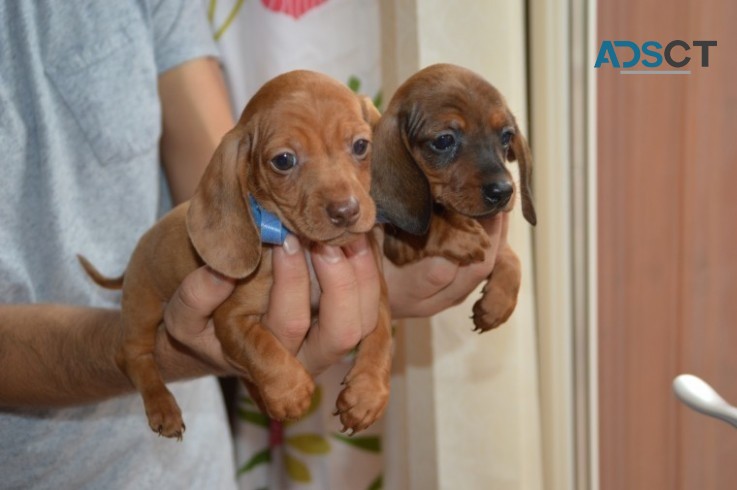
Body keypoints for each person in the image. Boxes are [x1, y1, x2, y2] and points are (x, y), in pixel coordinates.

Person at [0, 1, 506, 488]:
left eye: (359, 148)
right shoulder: (236, 174)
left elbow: (211, 150)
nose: (344, 201)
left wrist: (397, 252)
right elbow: (228, 185)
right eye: (286, 162)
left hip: (190, 467)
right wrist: (173, 351)